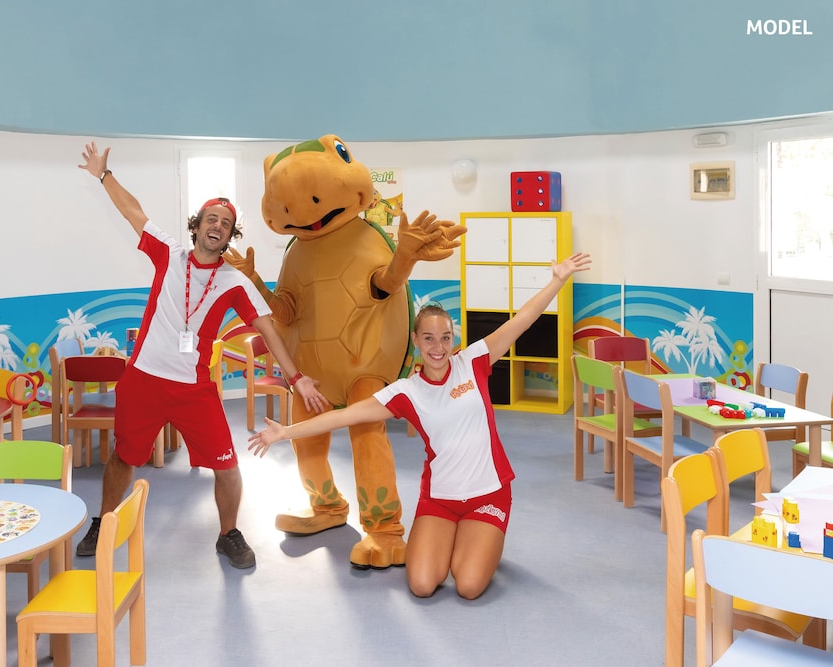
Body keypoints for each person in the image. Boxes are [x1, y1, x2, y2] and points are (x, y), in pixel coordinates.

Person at [249, 252, 591, 597]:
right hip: (440, 500)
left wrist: (557, 280)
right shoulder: (406, 392)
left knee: (468, 585)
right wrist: (285, 432)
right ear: (415, 341)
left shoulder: (473, 362)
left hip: (487, 493)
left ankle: (481, 538)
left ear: (453, 338)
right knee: (423, 584)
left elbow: (523, 320)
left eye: (445, 337)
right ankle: (460, 539)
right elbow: (343, 416)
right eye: (428, 338)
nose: (438, 347)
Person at [75, 141, 330, 569]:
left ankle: (228, 534)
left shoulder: (235, 282)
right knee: (123, 456)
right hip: (144, 378)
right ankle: (103, 522)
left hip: (194, 389)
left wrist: (296, 377)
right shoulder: (168, 253)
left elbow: (268, 329)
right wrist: (104, 175)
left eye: (226, 224)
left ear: (230, 236)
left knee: (227, 466)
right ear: (197, 227)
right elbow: (133, 211)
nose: (218, 226)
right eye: (211, 218)